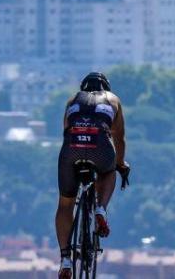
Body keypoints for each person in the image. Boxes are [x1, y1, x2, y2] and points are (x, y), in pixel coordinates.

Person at [56, 72, 130, 279]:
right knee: (109, 171)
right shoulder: (113, 99)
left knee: (65, 204)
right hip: (100, 146)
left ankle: (65, 260)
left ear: (83, 87)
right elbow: (120, 138)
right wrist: (121, 165)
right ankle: (100, 209)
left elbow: (66, 130)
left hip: (71, 149)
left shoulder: (73, 99)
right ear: (105, 87)